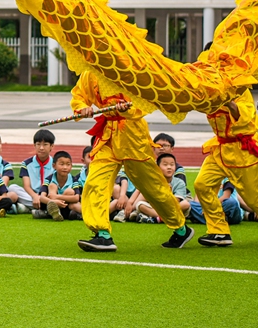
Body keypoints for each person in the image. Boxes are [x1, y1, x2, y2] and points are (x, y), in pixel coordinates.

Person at [71, 73, 192, 252]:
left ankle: (180, 229)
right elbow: (79, 95)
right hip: (107, 136)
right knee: (95, 183)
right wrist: (82, 107)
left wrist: (127, 109)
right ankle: (102, 235)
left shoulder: (129, 68)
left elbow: (144, 101)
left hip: (133, 136)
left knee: (153, 187)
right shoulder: (91, 71)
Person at [193, 79, 258, 248]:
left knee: (254, 200)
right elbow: (196, 104)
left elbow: (242, 115)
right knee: (201, 185)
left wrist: (226, 100)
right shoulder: (209, 88)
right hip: (220, 148)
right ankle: (219, 230)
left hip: (244, 152)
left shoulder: (240, 89)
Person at [132, 153, 191, 224]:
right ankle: (162, 218)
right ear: (158, 167)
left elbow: (176, 201)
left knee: (185, 204)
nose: (169, 167)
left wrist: (169, 193)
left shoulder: (180, 182)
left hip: (172, 207)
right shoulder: (154, 181)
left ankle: (156, 218)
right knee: (140, 205)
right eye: (165, 165)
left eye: (172, 164)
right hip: (157, 208)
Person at [21, 129, 58, 216]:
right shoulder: (26, 163)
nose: (41, 148)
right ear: (34, 145)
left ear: (52, 146)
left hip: (48, 195)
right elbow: (26, 186)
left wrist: (43, 197)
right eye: (38, 144)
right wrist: (35, 196)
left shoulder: (56, 164)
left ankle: (26, 208)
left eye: (45, 145)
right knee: (12, 188)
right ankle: (46, 206)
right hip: (31, 195)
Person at [39, 150, 81, 221]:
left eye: (68, 164)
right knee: (52, 186)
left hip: (67, 206)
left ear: (71, 166)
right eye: (62, 164)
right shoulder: (49, 179)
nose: (65, 167)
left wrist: (57, 197)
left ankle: (91, 215)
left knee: (70, 192)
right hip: (53, 204)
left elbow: (77, 198)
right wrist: (53, 202)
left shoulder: (74, 179)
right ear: (54, 166)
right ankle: (54, 211)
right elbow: (42, 197)